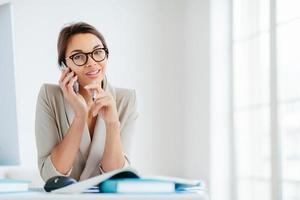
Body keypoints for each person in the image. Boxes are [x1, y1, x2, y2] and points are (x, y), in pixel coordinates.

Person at [35, 22, 138, 181]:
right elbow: (51, 176)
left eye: (97, 52)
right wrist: (80, 115)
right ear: (64, 65)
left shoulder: (126, 100)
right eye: (78, 56)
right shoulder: (49, 96)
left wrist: (112, 124)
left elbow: (117, 177)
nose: (91, 62)